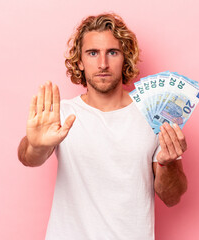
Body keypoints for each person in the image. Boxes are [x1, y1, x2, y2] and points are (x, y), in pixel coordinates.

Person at [17, 12, 188, 240]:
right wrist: (36, 146)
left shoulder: (153, 115)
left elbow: (172, 197)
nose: (103, 64)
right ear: (80, 61)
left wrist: (168, 164)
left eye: (112, 52)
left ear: (125, 58)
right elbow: (29, 157)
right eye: (93, 53)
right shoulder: (63, 114)